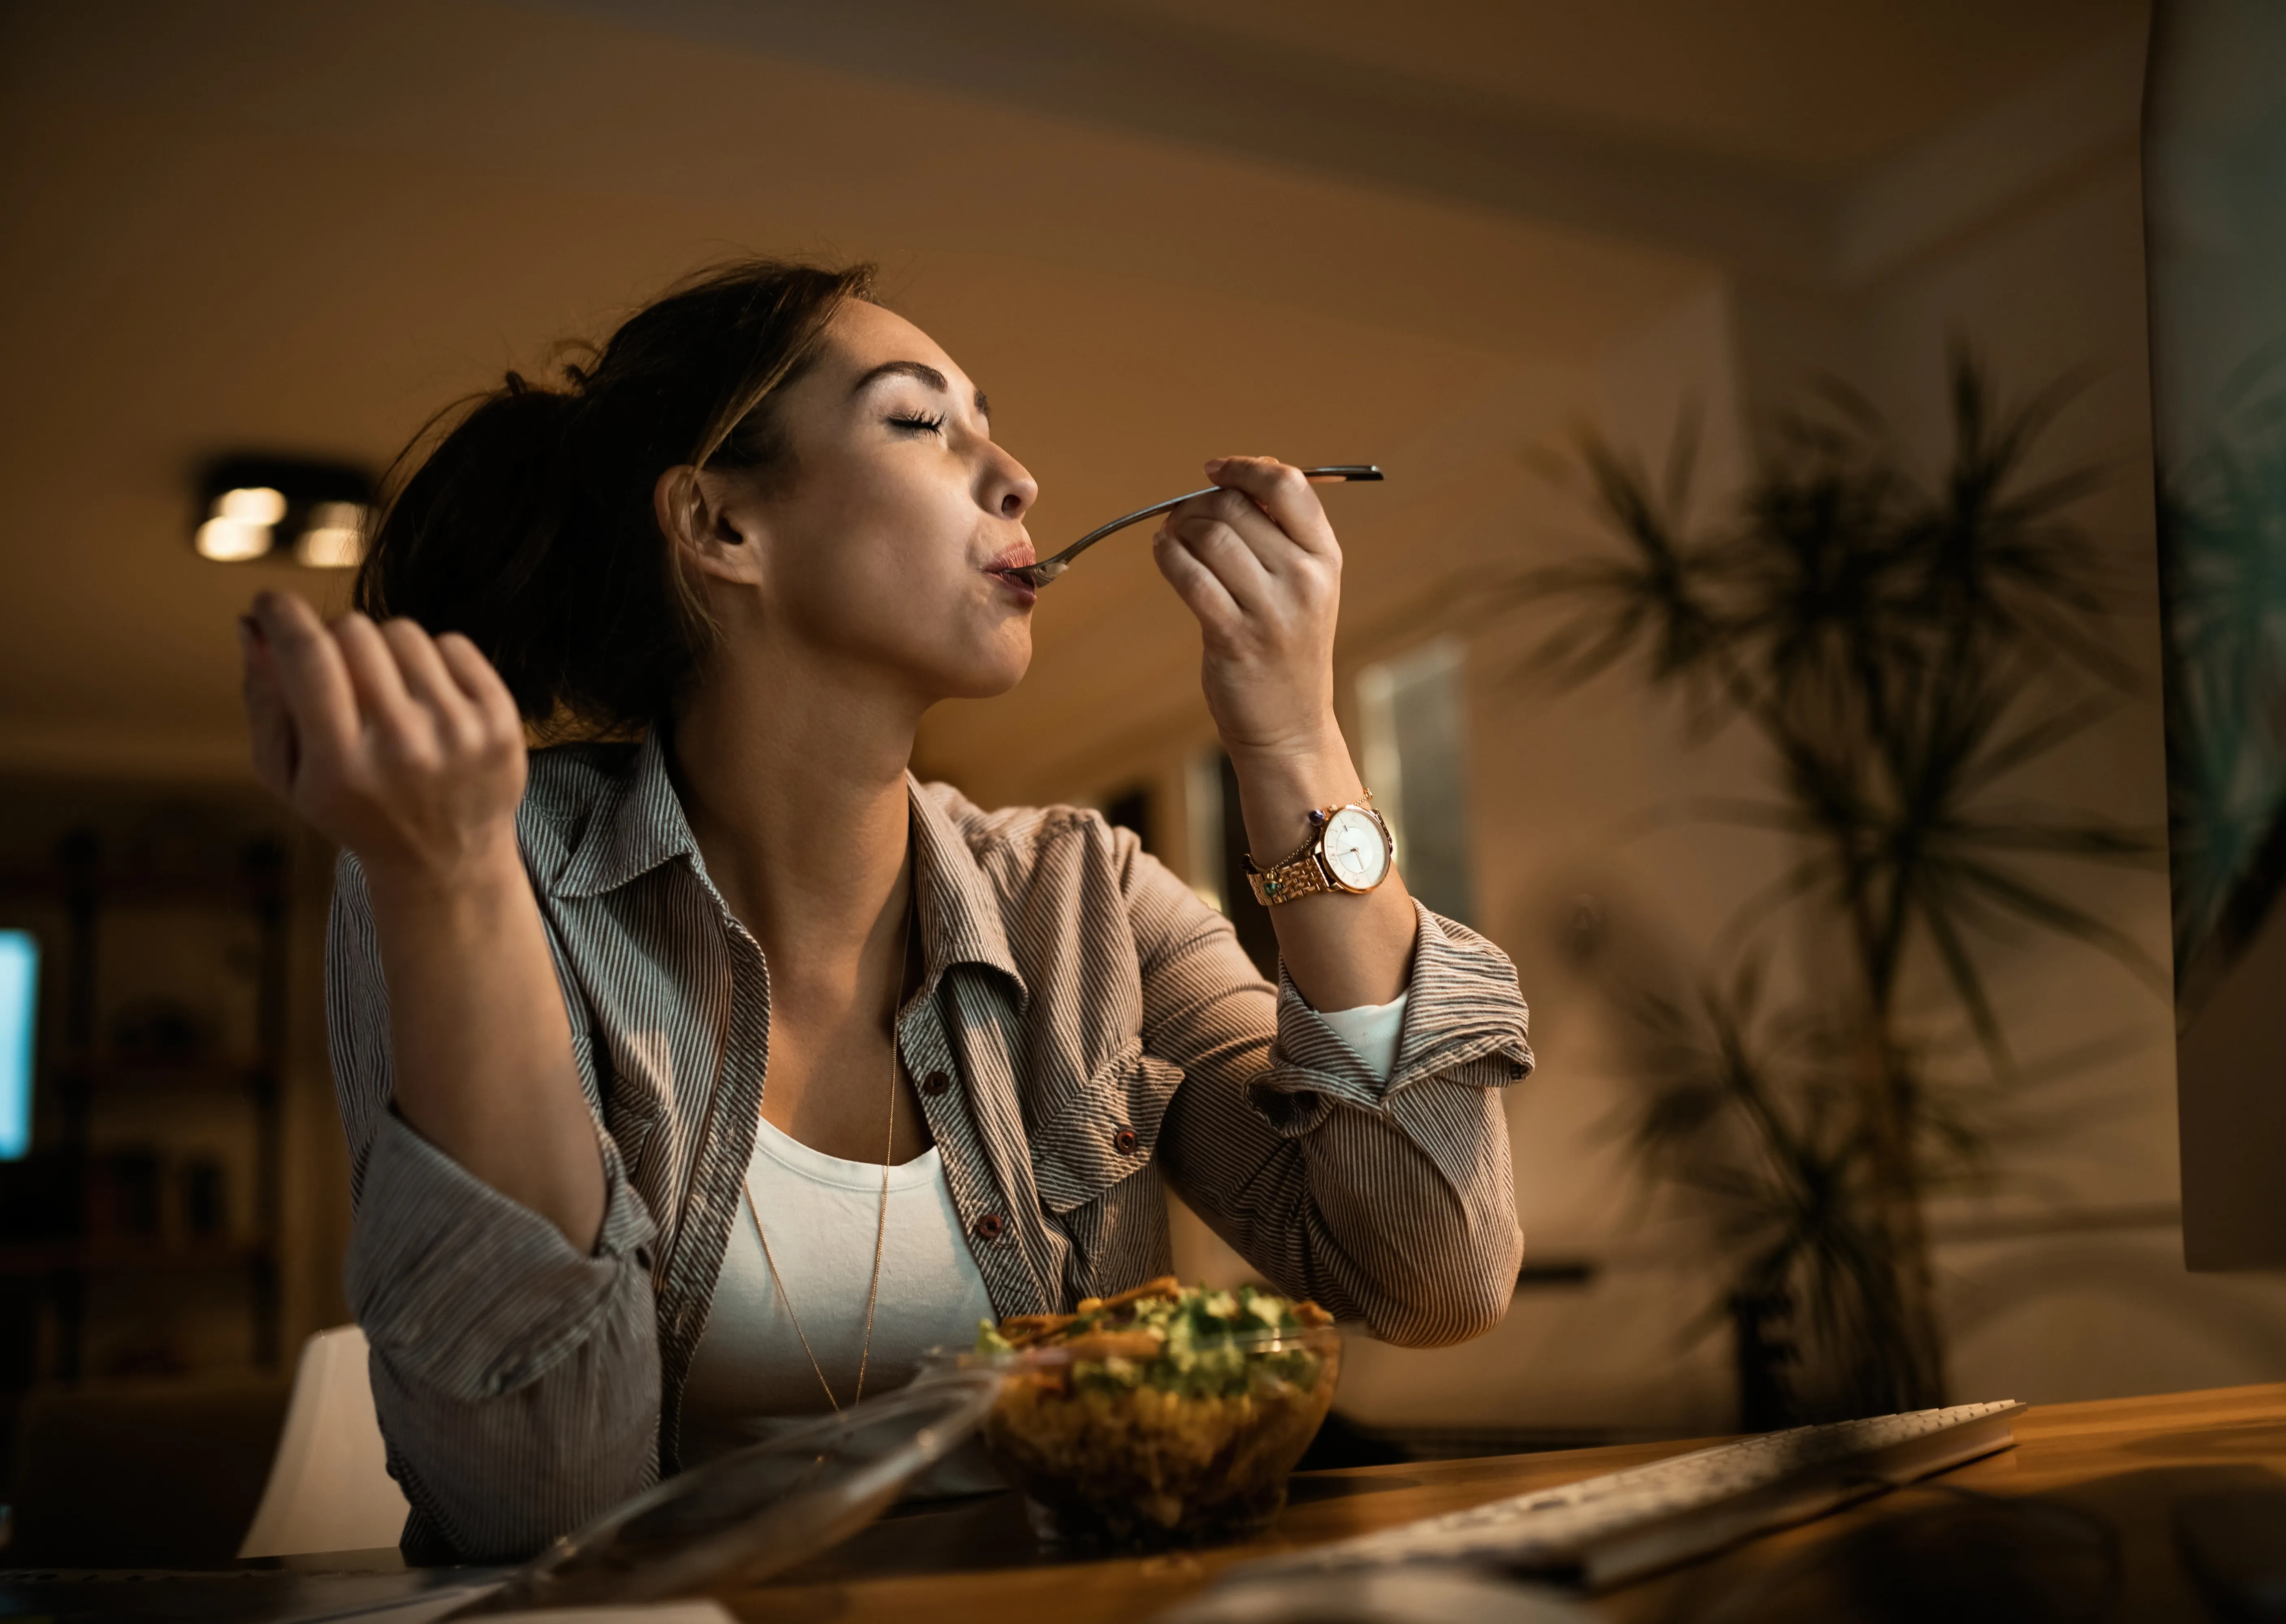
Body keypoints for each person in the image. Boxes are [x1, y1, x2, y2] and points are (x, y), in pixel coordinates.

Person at [237, 259, 1533, 1562]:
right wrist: (448, 887)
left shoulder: (1086, 899)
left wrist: (1296, 736)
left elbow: (1424, 1274)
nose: (1016, 472)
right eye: (922, 421)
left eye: (986, 418)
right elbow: (541, 1510)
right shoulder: (480, 862)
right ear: (720, 527)